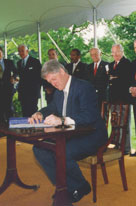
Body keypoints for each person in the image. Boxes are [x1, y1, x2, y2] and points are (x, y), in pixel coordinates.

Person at [30, 60, 108, 204]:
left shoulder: (84, 87)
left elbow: (90, 115)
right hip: (70, 134)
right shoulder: (58, 92)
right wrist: (40, 113)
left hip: (92, 134)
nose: (52, 83)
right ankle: (72, 187)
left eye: (53, 79)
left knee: (62, 151)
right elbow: (52, 107)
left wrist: (62, 120)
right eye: (49, 81)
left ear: (62, 72)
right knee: (39, 149)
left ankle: (71, 188)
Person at [108, 44, 132, 154]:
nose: (115, 54)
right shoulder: (111, 64)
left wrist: (114, 78)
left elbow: (126, 80)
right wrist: (114, 78)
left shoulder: (127, 64)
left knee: (124, 124)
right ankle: (117, 145)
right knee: (115, 123)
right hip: (113, 99)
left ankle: (125, 148)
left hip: (124, 100)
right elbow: (108, 80)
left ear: (122, 52)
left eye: (117, 51)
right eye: (113, 52)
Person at [17, 44, 42, 117]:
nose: (21, 53)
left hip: (33, 93)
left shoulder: (35, 61)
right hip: (23, 93)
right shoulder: (18, 63)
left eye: (22, 51)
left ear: (27, 51)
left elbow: (39, 77)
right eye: (19, 51)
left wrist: (37, 90)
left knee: (33, 112)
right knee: (24, 112)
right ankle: (25, 128)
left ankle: (35, 128)